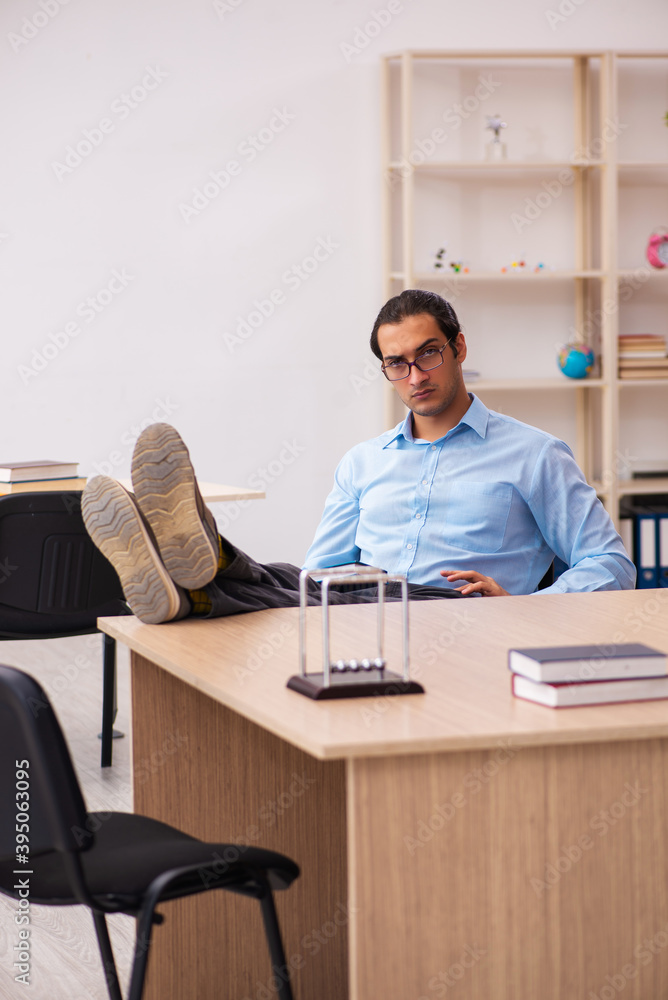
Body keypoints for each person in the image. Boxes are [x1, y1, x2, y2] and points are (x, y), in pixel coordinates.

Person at [81, 290, 635, 624]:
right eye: (397, 364)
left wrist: (522, 605)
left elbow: (610, 564)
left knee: (299, 589)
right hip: (357, 614)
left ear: (459, 348)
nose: (415, 376)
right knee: (286, 581)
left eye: (429, 355)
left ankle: (202, 561)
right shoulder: (364, 462)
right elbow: (317, 577)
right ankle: (191, 586)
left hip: (453, 615)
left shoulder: (534, 454)